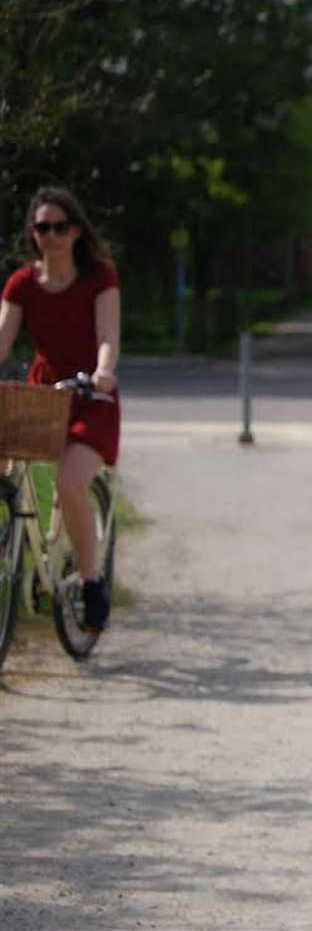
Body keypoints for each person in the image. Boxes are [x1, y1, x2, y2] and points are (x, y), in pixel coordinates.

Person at [0, 186, 122, 632]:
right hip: (44, 393)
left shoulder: (99, 277)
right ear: (32, 233)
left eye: (59, 227)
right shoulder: (22, 284)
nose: (50, 235)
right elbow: (2, 338)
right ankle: (15, 553)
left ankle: (91, 584)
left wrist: (103, 370)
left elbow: (108, 334)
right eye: (42, 227)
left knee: (71, 483)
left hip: (90, 394)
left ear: (76, 231)